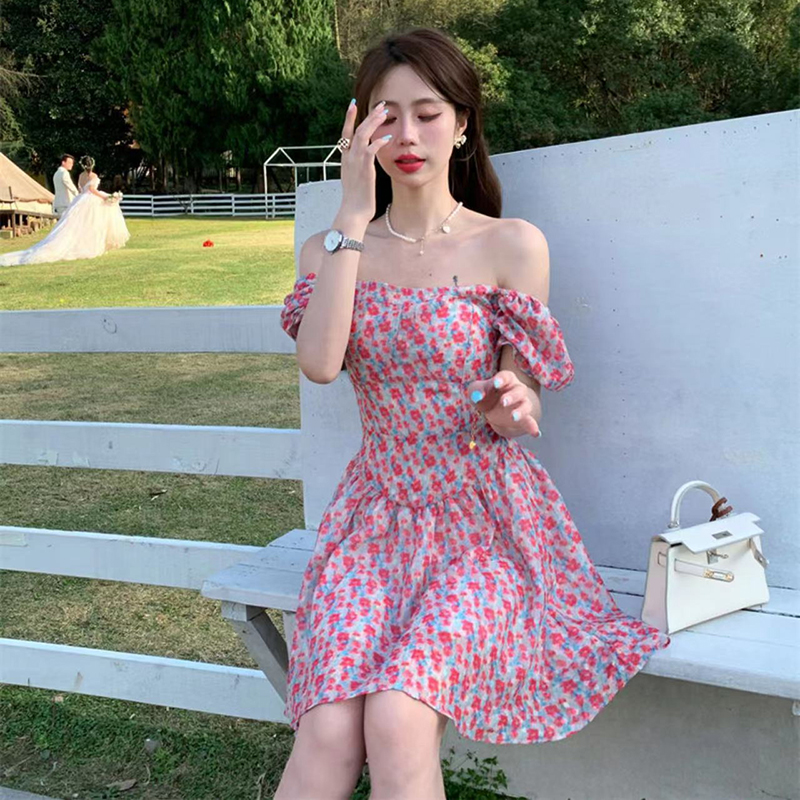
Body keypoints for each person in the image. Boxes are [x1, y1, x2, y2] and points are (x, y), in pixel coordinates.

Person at [275, 27, 672, 799]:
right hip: (371, 526)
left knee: (397, 718)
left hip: (482, 527)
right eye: (386, 116)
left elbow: (516, 402)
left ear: (461, 123)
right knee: (327, 728)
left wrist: (514, 400)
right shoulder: (332, 249)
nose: (407, 135)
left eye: (428, 113)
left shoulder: (511, 246)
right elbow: (320, 364)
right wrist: (351, 215)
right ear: (358, 131)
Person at [0, 155, 130, 267]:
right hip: (82, 200)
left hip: (75, 200)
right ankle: (86, 245)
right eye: (70, 162)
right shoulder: (69, 174)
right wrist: (104, 197)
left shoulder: (73, 175)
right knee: (87, 225)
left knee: (74, 226)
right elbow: (87, 189)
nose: (71, 165)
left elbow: (80, 188)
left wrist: (79, 198)